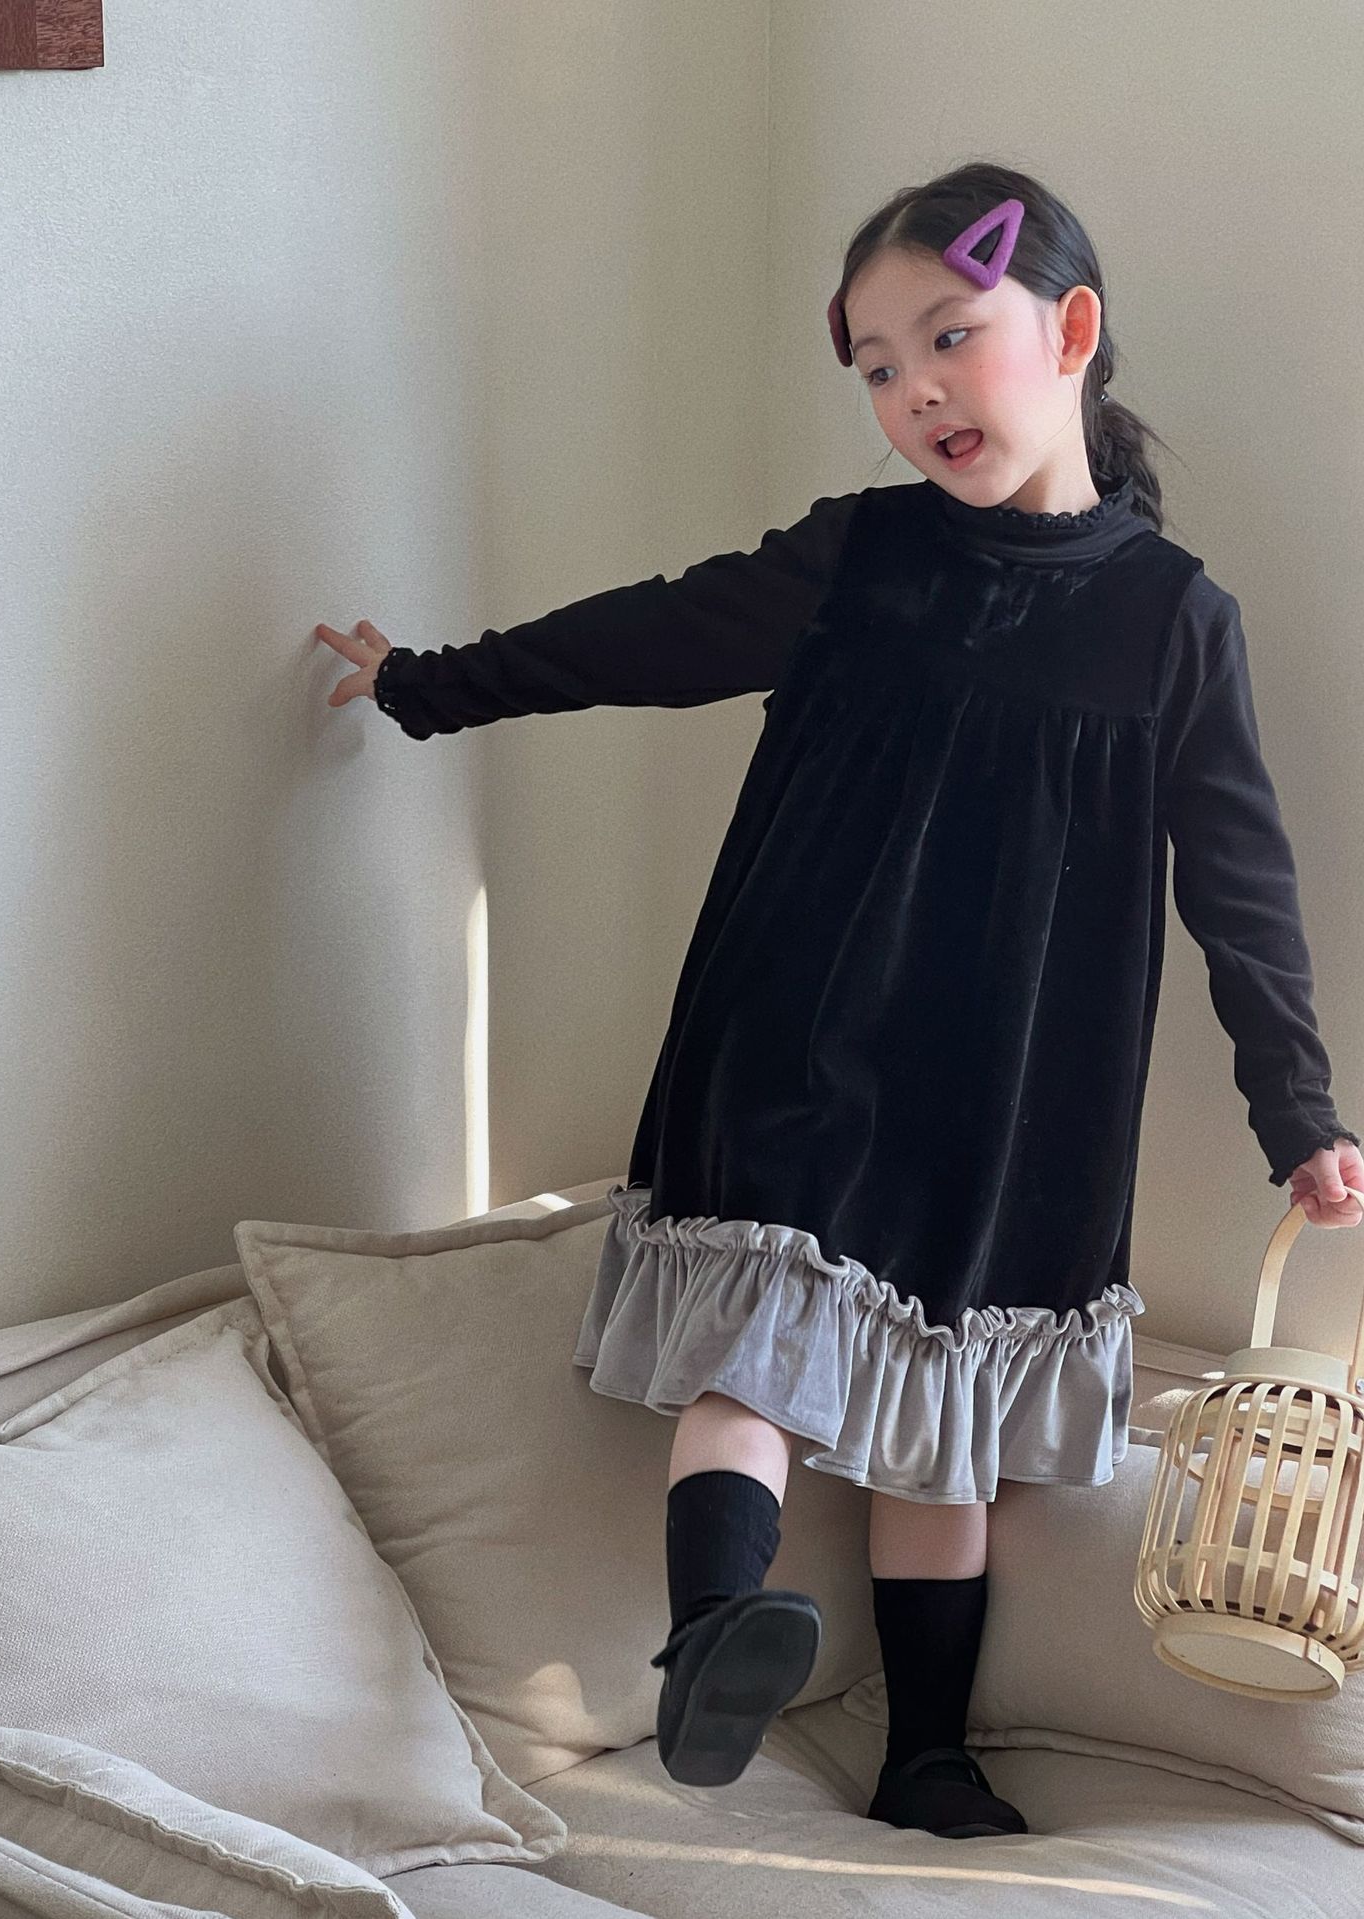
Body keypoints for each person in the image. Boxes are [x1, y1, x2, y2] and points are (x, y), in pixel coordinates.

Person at [314, 160, 1362, 1840]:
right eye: (876, 366)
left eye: (946, 338)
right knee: (757, 1356)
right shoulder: (862, 555)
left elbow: (1241, 886)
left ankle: (924, 1755)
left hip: (1016, 1087)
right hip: (800, 1031)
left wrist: (1297, 1112)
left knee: (943, 1433)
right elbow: (649, 636)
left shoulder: (1173, 624)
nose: (912, 389)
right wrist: (428, 683)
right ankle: (713, 1636)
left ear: (1070, 332)